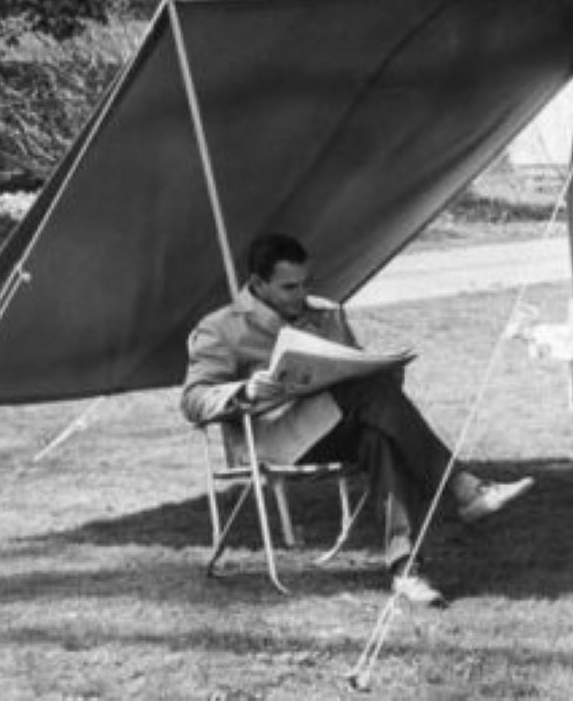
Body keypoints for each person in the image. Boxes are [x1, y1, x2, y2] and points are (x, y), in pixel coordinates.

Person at [181, 232, 532, 607]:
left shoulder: (327, 314)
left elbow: (354, 371)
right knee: (368, 396)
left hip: (336, 426)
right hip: (274, 440)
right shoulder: (221, 327)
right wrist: (246, 391)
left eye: (305, 284)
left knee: (379, 434)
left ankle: (407, 572)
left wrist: (384, 373)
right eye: (288, 287)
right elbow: (193, 399)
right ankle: (463, 486)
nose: (300, 295)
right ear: (258, 284)